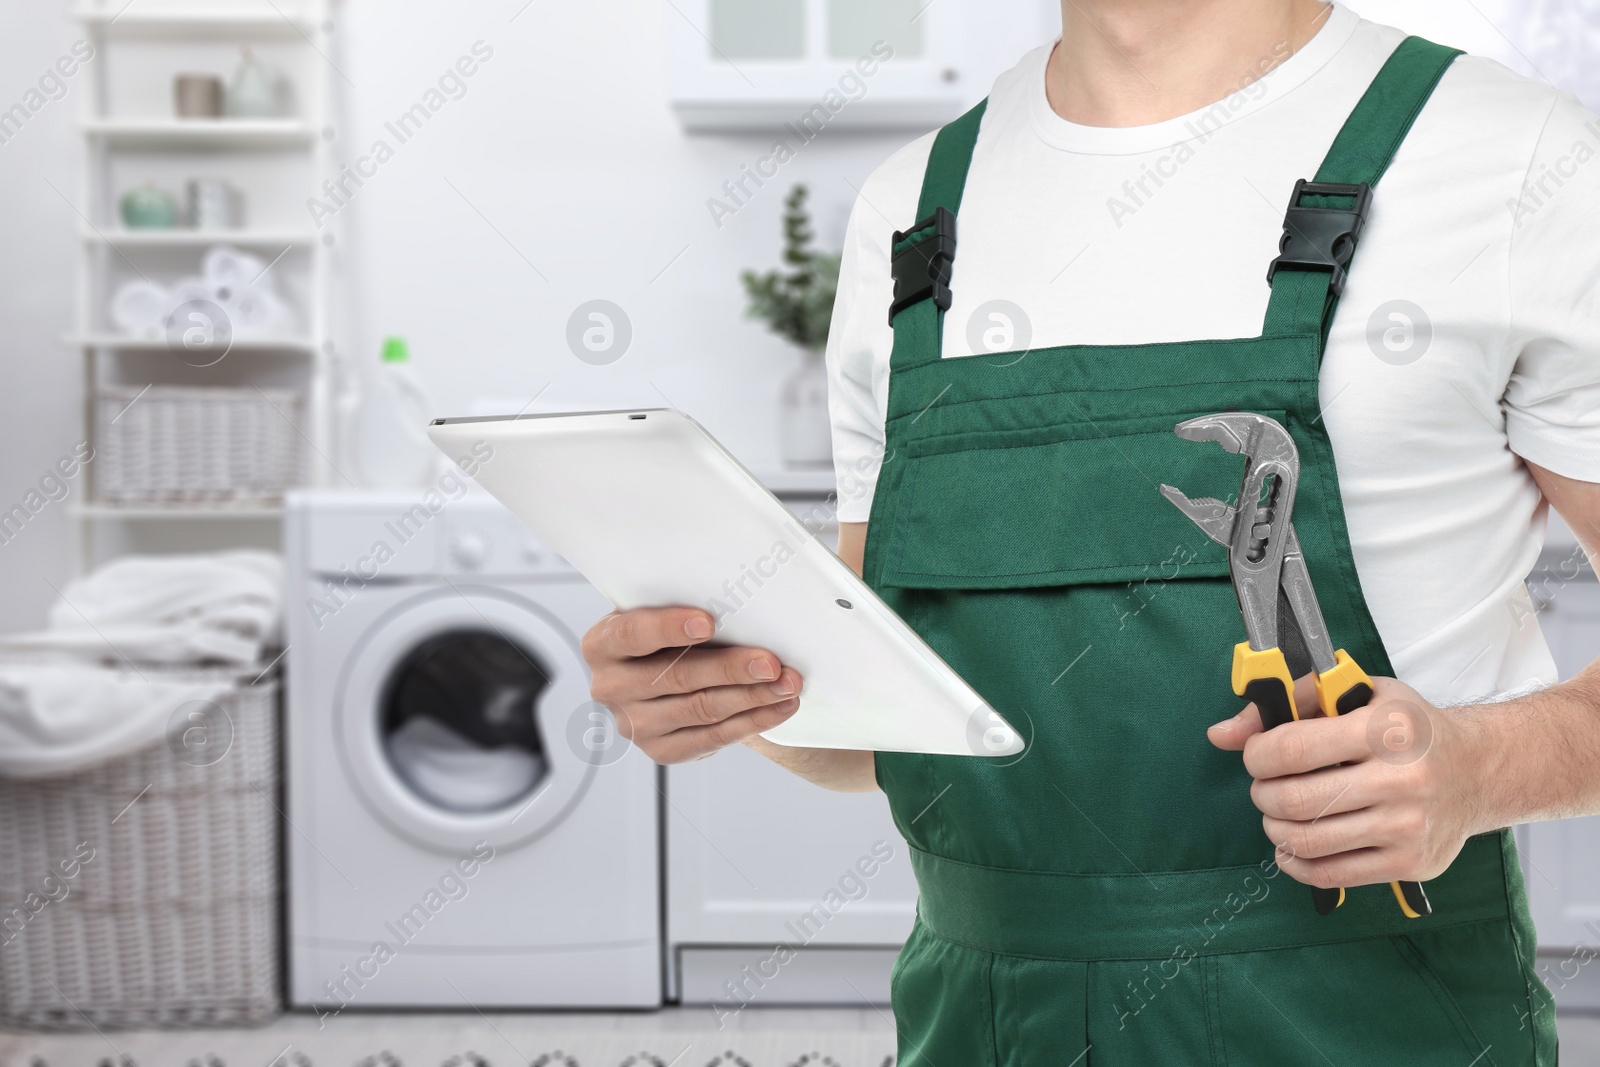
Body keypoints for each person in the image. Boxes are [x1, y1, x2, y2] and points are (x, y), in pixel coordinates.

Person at [582, 1, 1600, 1061]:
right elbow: (877, 736)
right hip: (976, 1028)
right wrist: (727, 684)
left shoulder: (1513, 158)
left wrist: (1481, 768)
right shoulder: (915, 206)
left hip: (1364, 1020)